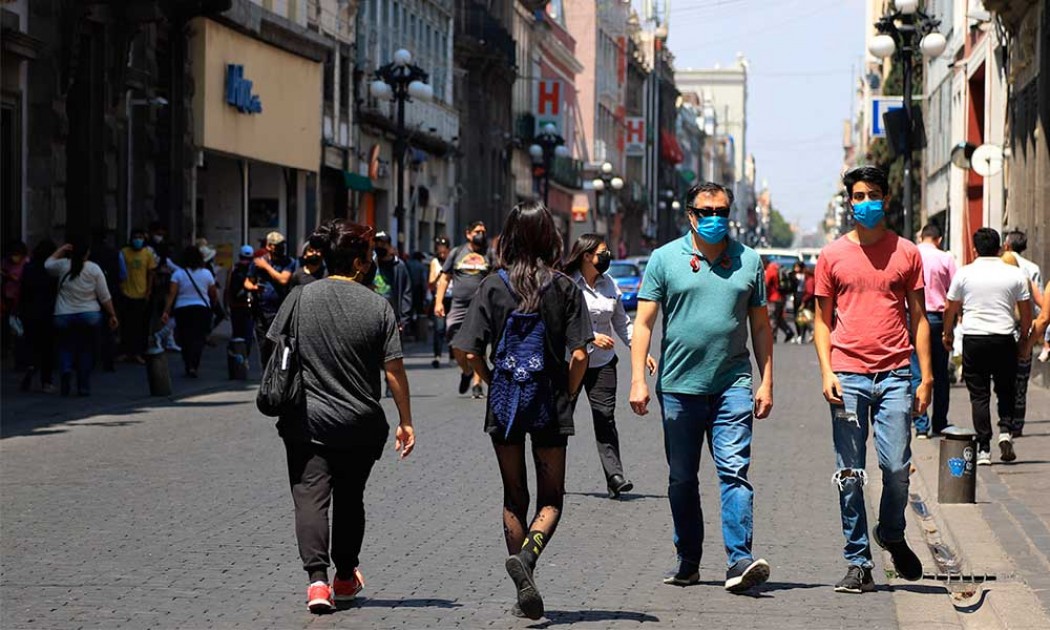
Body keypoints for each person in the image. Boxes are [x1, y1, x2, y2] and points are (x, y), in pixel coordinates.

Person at [630, 181, 774, 593]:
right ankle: (688, 560)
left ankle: (739, 559)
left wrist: (766, 381)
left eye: (721, 211)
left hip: (733, 383)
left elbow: (760, 327)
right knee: (682, 478)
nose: (715, 219)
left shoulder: (749, 261)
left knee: (734, 470)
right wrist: (638, 379)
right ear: (690, 215)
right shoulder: (664, 259)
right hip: (678, 386)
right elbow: (644, 323)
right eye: (706, 212)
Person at [452, 201, 592, 620]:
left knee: (514, 497)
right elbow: (580, 355)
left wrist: (491, 378)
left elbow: (467, 352)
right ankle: (527, 559)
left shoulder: (492, 286)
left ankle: (522, 587)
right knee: (552, 499)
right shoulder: (564, 287)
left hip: (506, 401)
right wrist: (568, 391)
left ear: (509, 238)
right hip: (549, 401)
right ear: (551, 237)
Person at [271, 219, 415, 614]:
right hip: (359, 423)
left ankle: (317, 582)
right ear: (356, 263)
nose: (371, 263)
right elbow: (394, 370)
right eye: (367, 257)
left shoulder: (299, 297)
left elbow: (273, 348)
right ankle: (346, 577)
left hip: (306, 420)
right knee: (350, 499)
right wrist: (405, 420)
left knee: (310, 497)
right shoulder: (378, 306)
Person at [814, 165, 931, 594]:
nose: (866, 202)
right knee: (850, 473)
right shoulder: (831, 256)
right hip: (847, 376)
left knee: (897, 468)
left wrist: (926, 377)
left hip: (896, 374)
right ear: (850, 202)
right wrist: (827, 370)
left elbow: (919, 318)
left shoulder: (907, 252)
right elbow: (821, 320)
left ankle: (892, 532)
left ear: (886, 199)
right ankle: (858, 562)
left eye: (873, 195)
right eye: (859, 196)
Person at [563, 234, 655, 498]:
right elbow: (558, 322)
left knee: (605, 417)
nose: (607, 257)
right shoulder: (566, 284)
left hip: (602, 364)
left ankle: (615, 476)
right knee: (562, 420)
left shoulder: (609, 284)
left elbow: (623, 324)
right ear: (586, 256)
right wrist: (590, 337)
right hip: (570, 362)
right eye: (602, 253)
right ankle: (552, 476)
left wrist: (641, 351)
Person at [942, 229, 1031, 465]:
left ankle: (983, 448)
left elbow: (950, 308)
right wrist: (1024, 338)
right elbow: (1026, 311)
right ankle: (1006, 431)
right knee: (1006, 388)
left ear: (975, 249)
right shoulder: (1014, 274)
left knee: (979, 395)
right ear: (1000, 248)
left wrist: (947, 333)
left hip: (974, 338)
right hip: (1004, 337)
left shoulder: (964, 274)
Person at [44, 239, 120, 396]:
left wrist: (61, 250)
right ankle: (83, 386)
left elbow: (47, 265)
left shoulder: (63, 265)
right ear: (87, 253)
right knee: (85, 350)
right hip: (89, 314)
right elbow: (104, 296)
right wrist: (112, 314)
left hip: (63, 314)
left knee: (65, 347)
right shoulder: (94, 268)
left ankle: (66, 370)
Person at [435, 221, 495, 399]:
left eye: (483, 231)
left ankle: (477, 383)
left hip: (481, 306)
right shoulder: (457, 252)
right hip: (458, 306)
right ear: (468, 234)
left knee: (478, 346)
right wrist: (438, 302)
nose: (481, 234)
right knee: (455, 343)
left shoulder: (489, 254)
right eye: (477, 231)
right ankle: (467, 372)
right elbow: (445, 278)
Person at [909, 223, 957, 439]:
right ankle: (939, 423)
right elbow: (954, 293)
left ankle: (920, 424)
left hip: (913, 316)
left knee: (916, 370)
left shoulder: (911, 254)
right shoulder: (945, 258)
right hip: (937, 318)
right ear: (939, 239)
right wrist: (951, 326)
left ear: (921, 237)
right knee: (940, 373)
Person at [1002, 229, 1042, 438]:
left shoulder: (998, 276)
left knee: (1004, 380)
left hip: (1003, 332)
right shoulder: (1030, 273)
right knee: (1021, 382)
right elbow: (1042, 304)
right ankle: (1016, 424)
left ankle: (1005, 421)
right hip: (1024, 331)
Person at [161, 246, 219, 378]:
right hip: (201, 309)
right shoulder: (206, 274)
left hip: (182, 309)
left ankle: (188, 362)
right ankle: (194, 365)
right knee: (199, 338)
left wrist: (166, 311)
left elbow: (171, 294)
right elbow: (213, 293)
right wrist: (213, 303)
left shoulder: (178, 274)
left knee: (184, 338)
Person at [246, 231, 297, 368]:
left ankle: (277, 375)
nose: (281, 248)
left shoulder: (288, 262)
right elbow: (248, 282)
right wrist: (254, 287)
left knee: (279, 347)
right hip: (262, 312)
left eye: (282, 245)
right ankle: (266, 376)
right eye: (277, 245)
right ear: (269, 246)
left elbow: (283, 279)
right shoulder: (258, 262)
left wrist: (266, 267)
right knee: (264, 348)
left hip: (281, 311)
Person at [18, 240, 59, 392]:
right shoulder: (53, 270)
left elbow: (23, 290)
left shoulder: (28, 267)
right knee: (47, 347)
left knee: (31, 343)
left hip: (30, 311)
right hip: (48, 311)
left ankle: (31, 365)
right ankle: (46, 381)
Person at [117, 229, 156, 364]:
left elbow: (151, 274)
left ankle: (138, 352)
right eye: (135, 237)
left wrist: (148, 292)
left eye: (140, 237)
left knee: (140, 326)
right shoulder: (124, 252)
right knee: (126, 324)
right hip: (126, 293)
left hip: (141, 294)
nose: (138, 240)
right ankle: (126, 352)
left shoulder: (148, 254)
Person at [372, 232, 412, 329]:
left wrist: (404, 320)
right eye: (377, 244)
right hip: (374, 316)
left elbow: (406, 293)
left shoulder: (399, 266)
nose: (379, 247)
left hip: (393, 318)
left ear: (390, 247)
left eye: (382, 244)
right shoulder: (371, 264)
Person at [226, 245, 256, 359]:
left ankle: (238, 355)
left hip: (237, 306)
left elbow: (227, 288)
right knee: (246, 334)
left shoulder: (234, 268)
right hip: (246, 306)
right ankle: (242, 355)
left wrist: (226, 304)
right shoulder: (253, 269)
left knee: (238, 333)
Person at [1, 240, 28, 363]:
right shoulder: (5, 263)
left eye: (17, 254)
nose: (14, 257)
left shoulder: (26, 263)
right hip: (7, 296)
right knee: (6, 323)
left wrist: (12, 277)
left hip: (20, 297)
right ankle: (7, 347)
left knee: (19, 325)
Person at [429, 236, 452, 368]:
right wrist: (441, 274)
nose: (442, 251)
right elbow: (431, 283)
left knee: (452, 328)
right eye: (439, 248)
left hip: (453, 297)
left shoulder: (453, 259)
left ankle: (452, 355)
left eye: (444, 248)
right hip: (439, 298)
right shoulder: (435, 262)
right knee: (439, 328)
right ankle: (437, 355)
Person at [764, 257, 794, 343]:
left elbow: (766, 283)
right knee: (779, 317)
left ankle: (772, 336)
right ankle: (788, 331)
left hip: (773, 298)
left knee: (772, 317)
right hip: (782, 297)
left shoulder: (770, 270)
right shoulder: (778, 268)